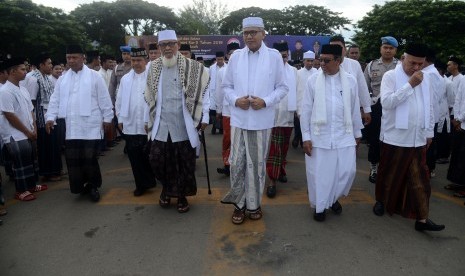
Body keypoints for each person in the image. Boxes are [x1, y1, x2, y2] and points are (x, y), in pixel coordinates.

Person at [220, 17, 288, 224]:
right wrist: (235, 100)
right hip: (239, 121)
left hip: (261, 121)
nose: (249, 36)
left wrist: (266, 101)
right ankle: (239, 205)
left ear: (263, 33)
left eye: (253, 32)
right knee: (237, 164)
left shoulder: (274, 57)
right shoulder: (236, 57)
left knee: (257, 166)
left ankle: (254, 205)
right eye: (246, 33)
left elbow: (283, 87)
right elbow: (227, 87)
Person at [372, 43, 445, 232]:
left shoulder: (426, 79)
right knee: (388, 174)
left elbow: (428, 106)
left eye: (420, 64)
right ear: (404, 58)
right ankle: (381, 201)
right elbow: (387, 103)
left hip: (418, 137)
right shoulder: (390, 76)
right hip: (394, 136)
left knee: (420, 179)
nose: (416, 68)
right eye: (413, 63)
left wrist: (429, 132)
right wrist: (409, 85)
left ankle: (422, 218)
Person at [145, 30, 210, 213]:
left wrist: (204, 117)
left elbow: (204, 94)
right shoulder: (153, 67)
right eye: (163, 44)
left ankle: (180, 196)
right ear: (158, 47)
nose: (167, 48)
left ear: (178, 45)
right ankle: (166, 187)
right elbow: (148, 97)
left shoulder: (194, 67)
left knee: (183, 164)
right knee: (157, 160)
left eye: (171, 44)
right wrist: (146, 119)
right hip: (161, 124)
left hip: (183, 125)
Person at [301, 44, 363, 222]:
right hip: (319, 135)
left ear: (338, 60)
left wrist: (357, 133)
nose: (322, 64)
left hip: (344, 134)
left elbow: (353, 108)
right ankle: (320, 206)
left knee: (347, 172)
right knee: (320, 175)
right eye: (320, 60)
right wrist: (306, 137)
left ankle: (332, 198)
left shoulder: (350, 80)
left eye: (326, 61)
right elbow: (305, 110)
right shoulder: (313, 80)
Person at [45, 44, 114, 202]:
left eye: (74, 57)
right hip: (72, 127)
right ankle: (80, 186)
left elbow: (104, 99)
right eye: (68, 58)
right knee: (74, 159)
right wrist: (50, 117)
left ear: (83, 58)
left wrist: (108, 119)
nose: (71, 60)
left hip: (91, 125)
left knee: (89, 157)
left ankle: (94, 186)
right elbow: (55, 100)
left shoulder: (94, 76)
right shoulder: (63, 79)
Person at [0, 57, 45, 202]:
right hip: (15, 133)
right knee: (20, 161)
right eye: (22, 69)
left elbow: (30, 110)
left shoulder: (23, 89)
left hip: (28, 131)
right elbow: (9, 115)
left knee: (30, 159)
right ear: (12, 71)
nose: (26, 72)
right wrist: (26, 131)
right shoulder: (5, 91)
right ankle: (20, 190)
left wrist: (34, 128)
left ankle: (31, 185)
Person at [115, 47, 156, 197]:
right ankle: (141, 184)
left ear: (145, 60)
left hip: (148, 124)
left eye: (139, 60)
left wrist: (149, 119)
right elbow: (119, 99)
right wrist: (119, 117)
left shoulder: (152, 77)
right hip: (131, 123)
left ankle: (152, 179)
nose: (136, 63)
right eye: (133, 60)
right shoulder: (126, 79)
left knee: (150, 155)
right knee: (134, 155)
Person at [363, 36, 399, 183]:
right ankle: (374, 167)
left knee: (393, 139)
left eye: (391, 48)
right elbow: (364, 88)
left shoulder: (401, 66)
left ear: (395, 50)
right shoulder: (371, 65)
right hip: (376, 107)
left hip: (395, 107)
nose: (388, 50)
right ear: (381, 48)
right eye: (385, 47)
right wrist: (365, 109)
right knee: (375, 138)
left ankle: (390, 168)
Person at [23, 53, 63, 182]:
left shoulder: (45, 77)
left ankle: (55, 170)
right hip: (41, 120)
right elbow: (32, 102)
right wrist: (33, 122)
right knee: (46, 147)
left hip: (50, 117)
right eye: (49, 63)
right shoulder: (34, 79)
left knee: (53, 145)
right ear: (41, 65)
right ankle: (49, 173)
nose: (51, 66)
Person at [265, 41, 297, 198]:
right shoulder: (267, 70)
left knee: (284, 148)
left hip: (288, 115)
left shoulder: (293, 71)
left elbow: (298, 91)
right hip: (272, 116)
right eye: (280, 56)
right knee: (274, 149)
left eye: (285, 56)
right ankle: (272, 180)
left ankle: (281, 170)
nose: (283, 59)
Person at [330, 35, 372, 126]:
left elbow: (362, 88)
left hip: (352, 109)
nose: (335, 50)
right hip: (332, 111)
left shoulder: (354, 64)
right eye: (332, 48)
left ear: (345, 49)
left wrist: (366, 109)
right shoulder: (325, 65)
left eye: (339, 47)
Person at [216, 43, 240, 176]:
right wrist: (218, 109)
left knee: (239, 138)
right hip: (227, 110)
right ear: (227, 55)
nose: (233, 55)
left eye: (236, 52)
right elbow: (219, 92)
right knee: (227, 138)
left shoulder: (245, 69)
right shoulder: (222, 71)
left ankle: (238, 164)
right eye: (231, 53)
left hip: (241, 110)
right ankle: (227, 164)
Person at [446, 72, 465, 196]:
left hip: (462, 121)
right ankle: (458, 182)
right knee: (458, 154)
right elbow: (458, 98)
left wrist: (460, 118)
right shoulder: (464, 78)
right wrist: (457, 118)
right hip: (460, 122)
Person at [295, 50, 318, 148]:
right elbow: (295, 90)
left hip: (313, 105)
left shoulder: (317, 73)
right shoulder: (298, 73)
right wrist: (296, 107)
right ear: (303, 61)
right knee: (299, 124)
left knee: (310, 125)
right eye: (308, 61)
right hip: (300, 104)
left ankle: (305, 141)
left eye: (312, 61)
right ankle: (298, 138)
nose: (310, 63)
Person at [209, 51, 226, 135]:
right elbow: (209, 79)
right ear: (216, 59)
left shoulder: (227, 67)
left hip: (223, 93)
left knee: (222, 112)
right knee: (213, 112)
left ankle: (221, 128)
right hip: (213, 92)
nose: (220, 61)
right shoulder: (211, 68)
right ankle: (214, 127)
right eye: (218, 59)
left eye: (221, 59)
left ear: (224, 58)